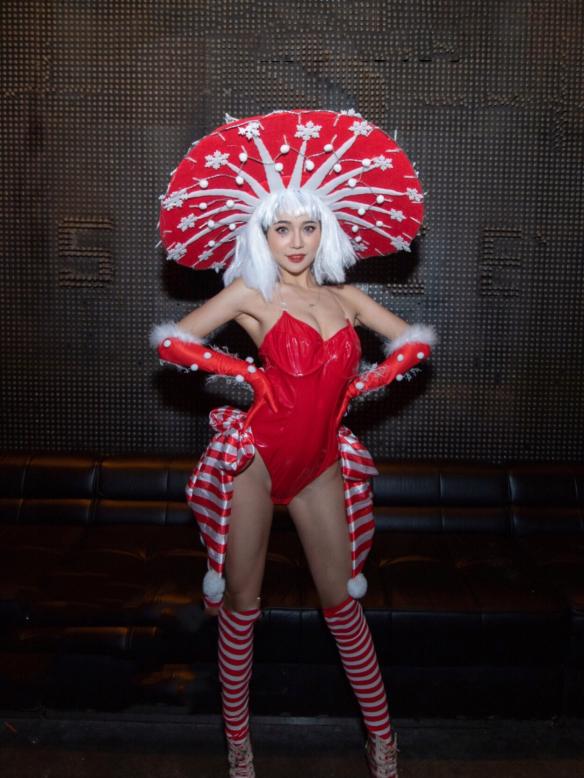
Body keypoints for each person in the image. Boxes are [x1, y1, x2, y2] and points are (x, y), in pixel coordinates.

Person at [151, 111, 436, 778]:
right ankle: (239, 748)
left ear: (325, 227)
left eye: (308, 225)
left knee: (343, 603)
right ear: (262, 232)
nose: (297, 240)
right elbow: (173, 341)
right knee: (243, 607)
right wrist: (248, 375)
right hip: (256, 459)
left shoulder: (345, 299)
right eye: (282, 226)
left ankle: (383, 742)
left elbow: (417, 343)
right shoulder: (253, 292)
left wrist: (364, 385)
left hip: (319, 462)